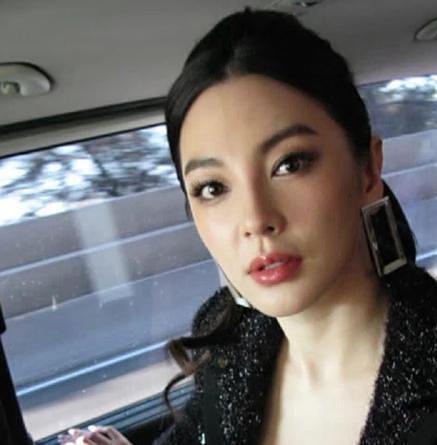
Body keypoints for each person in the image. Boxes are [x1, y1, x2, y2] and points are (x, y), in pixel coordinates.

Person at [59, 8, 437, 445]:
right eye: (213, 187)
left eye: (289, 164)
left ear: (367, 170)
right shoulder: (230, 351)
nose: (255, 220)